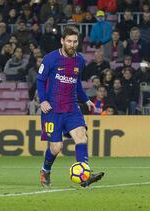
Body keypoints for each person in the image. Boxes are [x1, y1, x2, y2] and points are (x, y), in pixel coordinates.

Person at [36, 26, 104, 188]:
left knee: (82, 137)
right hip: (52, 109)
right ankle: (45, 170)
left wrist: (86, 99)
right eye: (69, 41)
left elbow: (76, 82)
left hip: (72, 107)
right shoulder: (50, 59)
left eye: (75, 41)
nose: (72, 44)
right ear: (62, 41)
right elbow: (40, 80)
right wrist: (43, 100)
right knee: (56, 147)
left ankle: (85, 175)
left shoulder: (80, 60)